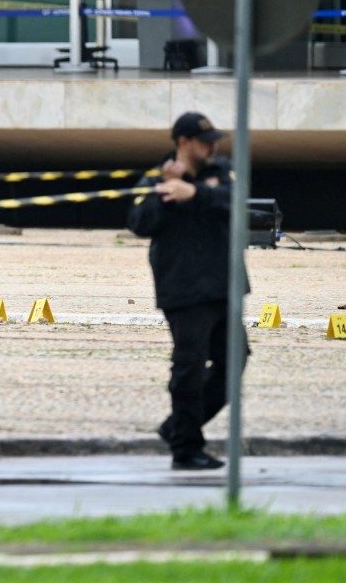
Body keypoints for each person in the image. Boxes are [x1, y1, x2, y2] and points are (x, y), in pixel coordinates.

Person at [127, 111, 249, 472]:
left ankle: (177, 426)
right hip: (182, 287)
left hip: (223, 284)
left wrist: (194, 193)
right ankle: (186, 447)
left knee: (235, 359)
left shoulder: (221, 173)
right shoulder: (155, 178)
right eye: (205, 141)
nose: (213, 147)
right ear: (183, 142)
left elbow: (236, 203)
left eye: (215, 141)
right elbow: (138, 223)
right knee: (189, 367)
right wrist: (166, 194)